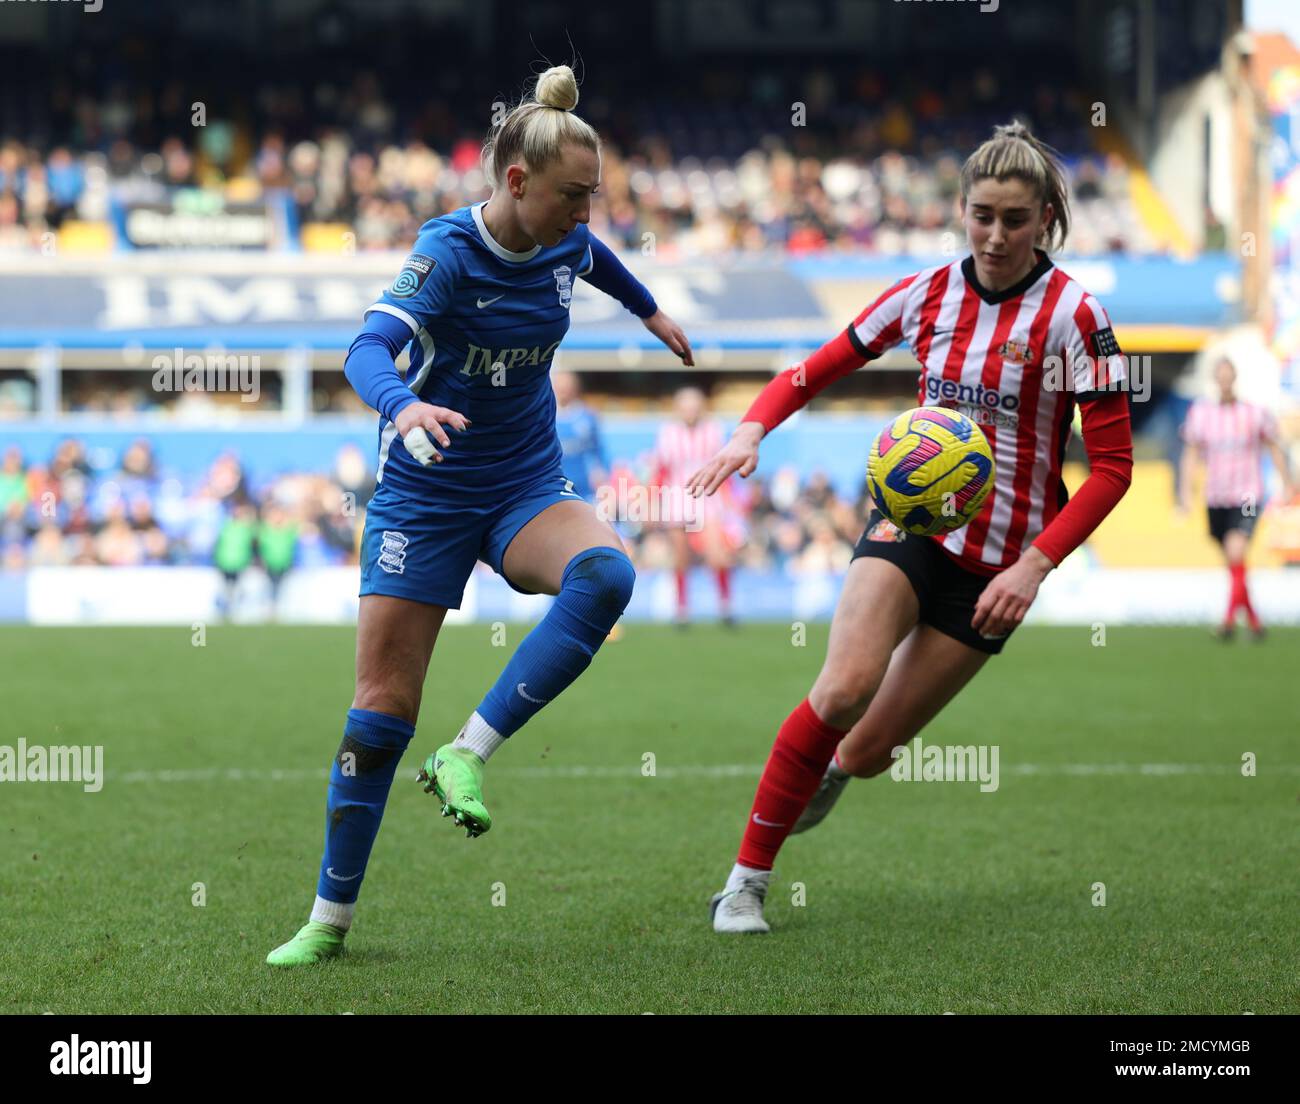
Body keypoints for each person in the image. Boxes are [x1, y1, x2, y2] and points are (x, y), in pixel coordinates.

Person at [267, 65, 694, 966]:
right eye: (574, 196)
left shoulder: (566, 238)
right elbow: (366, 347)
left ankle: (468, 752)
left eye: (594, 198)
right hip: (426, 492)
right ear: (515, 182)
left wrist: (650, 310)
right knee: (378, 716)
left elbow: (596, 259)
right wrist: (404, 408)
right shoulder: (447, 252)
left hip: (526, 481)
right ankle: (329, 919)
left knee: (607, 573)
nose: (586, 214)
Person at [688, 122, 1134, 933]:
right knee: (841, 689)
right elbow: (813, 367)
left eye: (1015, 219)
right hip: (909, 531)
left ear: (1047, 221)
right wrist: (752, 427)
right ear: (961, 210)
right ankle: (745, 882)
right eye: (982, 214)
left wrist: (1033, 567)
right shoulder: (926, 293)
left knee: (862, 754)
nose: (996, 235)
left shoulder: (1078, 318)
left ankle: (824, 770)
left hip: (999, 572)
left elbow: (1112, 469)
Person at [1179, 357, 1293, 640]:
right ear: (1215, 379)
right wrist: (1185, 491)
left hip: (1246, 494)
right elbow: (1190, 453)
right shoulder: (1202, 413)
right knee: (1233, 561)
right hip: (1216, 495)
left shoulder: (1254, 413)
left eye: (1229, 375)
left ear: (1235, 378)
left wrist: (1288, 483)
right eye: (1221, 375)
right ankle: (1254, 622)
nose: (1225, 380)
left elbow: (1273, 447)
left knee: (1235, 551)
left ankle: (1228, 623)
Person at [652, 387, 742, 626]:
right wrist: (653, 500)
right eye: (685, 408)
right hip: (676, 495)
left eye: (694, 407)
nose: (690, 412)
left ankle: (725, 605)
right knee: (680, 556)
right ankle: (682, 608)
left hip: (706, 495)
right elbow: (661, 469)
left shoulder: (712, 430)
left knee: (716, 553)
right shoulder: (668, 432)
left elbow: (723, 466)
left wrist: (730, 498)